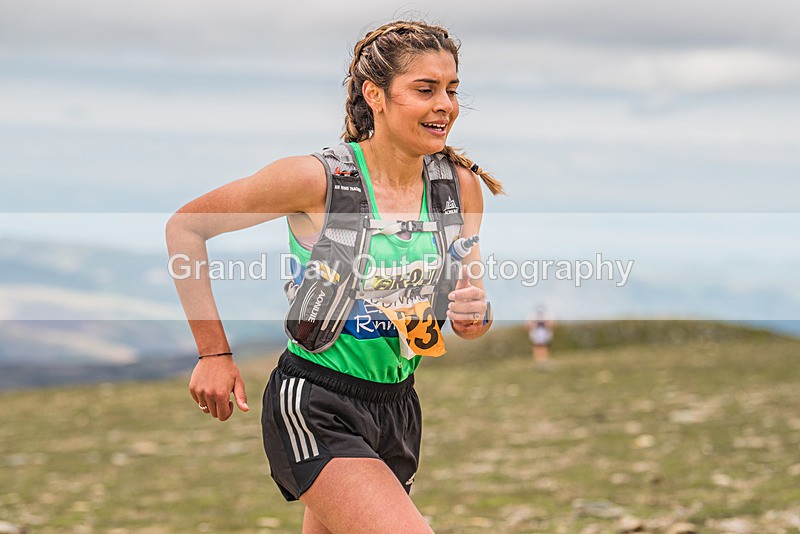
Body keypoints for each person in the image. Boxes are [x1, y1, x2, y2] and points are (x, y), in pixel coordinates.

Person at [165, 20, 504, 533]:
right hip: (315, 402)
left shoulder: (459, 189)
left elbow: (469, 315)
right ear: (376, 95)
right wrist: (213, 352)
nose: (446, 105)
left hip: (398, 406)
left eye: (452, 90)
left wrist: (476, 314)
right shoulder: (315, 180)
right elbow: (186, 228)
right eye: (425, 89)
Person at [526, 305, 555, 370]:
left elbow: (551, 324)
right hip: (536, 334)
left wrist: (546, 324)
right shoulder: (532, 316)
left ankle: (544, 360)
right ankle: (538, 361)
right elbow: (528, 325)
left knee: (544, 346)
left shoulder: (547, 316)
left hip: (544, 334)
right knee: (537, 347)